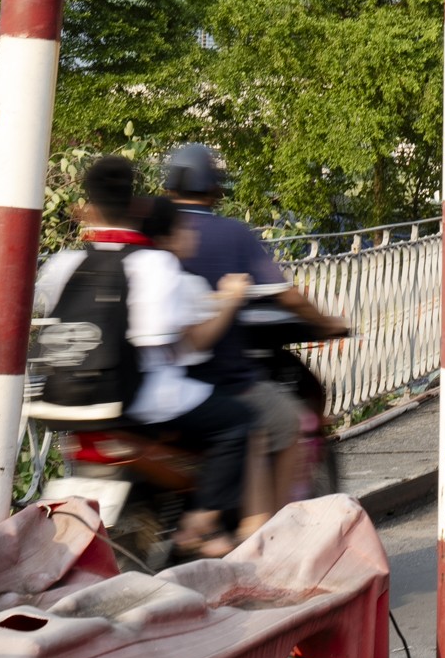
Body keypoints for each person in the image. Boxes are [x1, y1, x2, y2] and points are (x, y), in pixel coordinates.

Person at [34, 158, 260, 557]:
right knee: (237, 422)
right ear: (136, 204)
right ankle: (201, 524)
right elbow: (169, 343)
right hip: (140, 399)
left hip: (65, 403)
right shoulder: (154, 263)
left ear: (86, 207)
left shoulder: (62, 264)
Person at [162, 143, 345, 531]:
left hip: (155, 381)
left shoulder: (153, 232)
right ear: (214, 190)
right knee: (286, 421)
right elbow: (284, 293)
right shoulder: (232, 233)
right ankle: (270, 534)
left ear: (167, 187)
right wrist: (325, 322)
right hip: (220, 379)